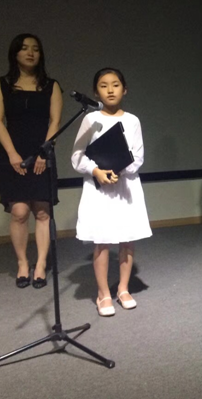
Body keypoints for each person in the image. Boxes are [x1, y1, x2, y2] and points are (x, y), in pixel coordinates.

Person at [71, 68, 152, 316]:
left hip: (125, 185)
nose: (110, 90)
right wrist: (96, 171)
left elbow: (138, 156)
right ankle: (103, 293)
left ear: (124, 90)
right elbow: (77, 156)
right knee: (102, 240)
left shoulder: (132, 120)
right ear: (96, 92)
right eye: (103, 85)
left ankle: (123, 288)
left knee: (127, 239)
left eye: (115, 85)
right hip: (100, 189)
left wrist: (119, 168)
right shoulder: (90, 119)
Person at [0, 33, 63, 289]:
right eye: (24, 48)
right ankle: (23, 263)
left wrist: (44, 152)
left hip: (43, 152)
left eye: (35, 49)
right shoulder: (1, 84)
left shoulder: (51, 85)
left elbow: (55, 121)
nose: (30, 53)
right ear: (15, 54)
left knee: (42, 211)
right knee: (20, 212)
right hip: (12, 153)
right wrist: (12, 154)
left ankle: (41, 264)